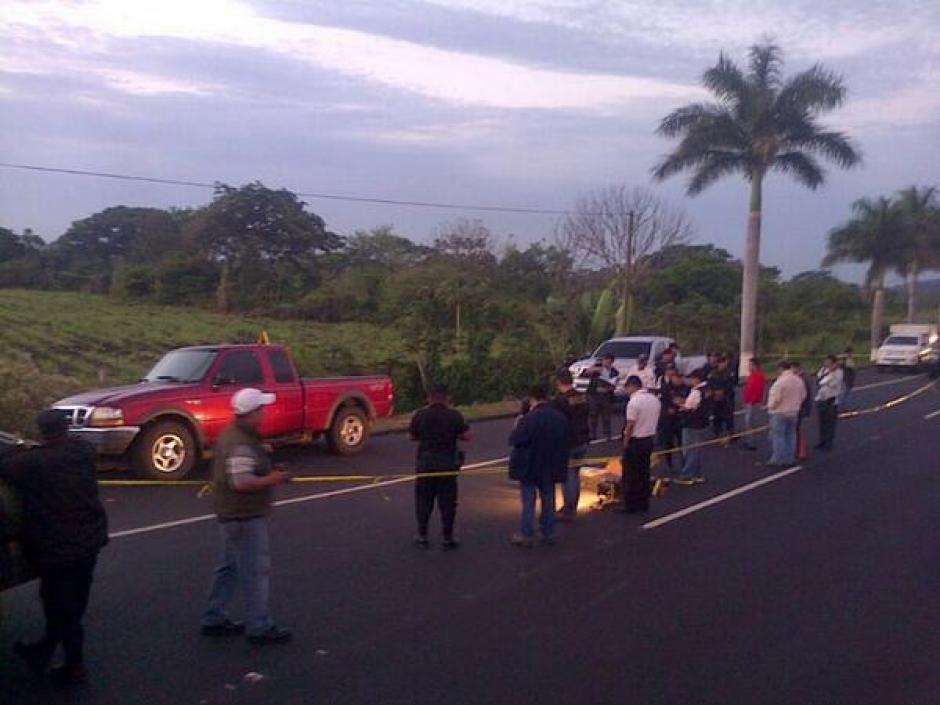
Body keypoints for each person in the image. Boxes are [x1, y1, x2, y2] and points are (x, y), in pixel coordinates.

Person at [0, 410, 108, 686]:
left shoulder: (33, 464)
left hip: (57, 548)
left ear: (41, 432)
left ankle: (74, 667)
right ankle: (44, 651)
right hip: (88, 541)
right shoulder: (82, 452)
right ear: (66, 429)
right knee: (74, 602)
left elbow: (7, 465)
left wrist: (16, 449)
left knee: (60, 606)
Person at [202, 388, 291, 645]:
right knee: (255, 570)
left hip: (230, 513)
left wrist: (260, 450)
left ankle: (214, 617)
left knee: (228, 567)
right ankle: (259, 627)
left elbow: (241, 459)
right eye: (261, 409)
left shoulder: (236, 435)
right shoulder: (240, 443)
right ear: (251, 413)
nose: (265, 412)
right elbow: (241, 482)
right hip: (244, 513)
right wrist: (274, 478)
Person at [409, 384, 471, 548]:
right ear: (446, 398)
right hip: (447, 464)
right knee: (448, 502)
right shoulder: (454, 415)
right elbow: (467, 436)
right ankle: (447, 537)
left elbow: (412, 436)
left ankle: (422, 535)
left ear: (429, 398)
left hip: (425, 464)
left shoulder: (420, 415)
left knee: (423, 501)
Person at [508, 385, 569, 547]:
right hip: (550, 465)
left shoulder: (528, 419)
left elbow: (516, 440)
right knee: (548, 498)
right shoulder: (559, 417)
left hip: (529, 465)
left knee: (528, 500)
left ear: (531, 399)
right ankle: (548, 532)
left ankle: (527, 533)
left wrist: (517, 425)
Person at [549, 370, 590, 522]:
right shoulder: (581, 396)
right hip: (583, 438)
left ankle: (568, 510)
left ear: (559, 382)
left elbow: (555, 421)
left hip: (568, 441)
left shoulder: (560, 401)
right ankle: (572, 505)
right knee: (575, 474)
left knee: (568, 475)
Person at [620, 376, 662, 513]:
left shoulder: (634, 402)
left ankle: (631, 505)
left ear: (632, 386)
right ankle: (644, 503)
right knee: (644, 472)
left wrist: (625, 442)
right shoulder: (654, 399)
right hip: (648, 439)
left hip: (636, 441)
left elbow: (630, 425)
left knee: (631, 474)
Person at [766, 361, 807, 467]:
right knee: (791, 435)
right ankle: (789, 458)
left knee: (778, 436)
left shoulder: (780, 382)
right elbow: (803, 396)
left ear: (780, 369)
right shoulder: (799, 380)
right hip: (794, 412)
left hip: (780, 412)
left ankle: (778, 458)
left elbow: (777, 398)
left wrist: (771, 406)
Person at [675, 369, 711, 485]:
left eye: (691, 378)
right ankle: (697, 474)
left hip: (691, 423)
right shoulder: (707, 390)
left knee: (690, 450)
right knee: (697, 449)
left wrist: (681, 406)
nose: (689, 380)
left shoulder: (696, 392)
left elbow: (689, 407)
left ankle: (687, 475)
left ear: (697, 379)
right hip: (702, 423)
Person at [657, 367, 688, 473]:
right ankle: (669, 463)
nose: (678, 380)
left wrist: (679, 402)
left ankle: (685, 463)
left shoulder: (685, 388)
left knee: (683, 443)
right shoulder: (665, 388)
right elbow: (663, 401)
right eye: (676, 377)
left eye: (680, 377)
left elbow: (685, 401)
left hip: (681, 418)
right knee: (668, 443)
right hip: (668, 420)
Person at [586, 354, 619, 440]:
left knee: (606, 416)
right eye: (605, 360)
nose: (607, 363)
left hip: (606, 395)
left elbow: (615, 383)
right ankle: (592, 434)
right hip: (594, 394)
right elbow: (586, 373)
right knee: (593, 415)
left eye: (609, 361)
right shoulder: (597, 369)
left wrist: (610, 386)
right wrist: (594, 368)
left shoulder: (614, 372)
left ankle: (607, 434)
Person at [816, 355, 844, 450]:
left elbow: (833, 383)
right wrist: (825, 377)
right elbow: (819, 380)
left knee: (830, 422)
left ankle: (829, 442)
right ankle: (822, 440)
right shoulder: (823, 370)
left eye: (828, 362)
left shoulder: (838, 372)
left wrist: (829, 376)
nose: (826, 363)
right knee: (822, 421)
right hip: (821, 398)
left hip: (832, 400)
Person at [741, 358, 766, 450]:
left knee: (751, 422)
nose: (749, 366)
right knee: (748, 422)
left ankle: (752, 443)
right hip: (749, 402)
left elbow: (758, 390)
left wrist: (752, 400)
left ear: (755, 365)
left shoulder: (758, 376)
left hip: (753, 403)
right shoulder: (752, 375)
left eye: (750, 365)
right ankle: (749, 441)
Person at [708, 354, 735, 440]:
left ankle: (730, 433)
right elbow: (709, 384)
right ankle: (717, 433)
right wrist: (714, 392)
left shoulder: (729, 373)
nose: (723, 365)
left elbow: (731, 384)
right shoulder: (712, 373)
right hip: (715, 398)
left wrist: (723, 392)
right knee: (716, 416)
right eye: (721, 363)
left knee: (728, 417)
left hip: (727, 398)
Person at [791, 361, 814, 461]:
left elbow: (803, 395)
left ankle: (801, 452)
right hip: (803, 407)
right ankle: (799, 450)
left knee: (800, 430)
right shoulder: (805, 377)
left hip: (802, 408)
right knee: (799, 430)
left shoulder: (802, 379)